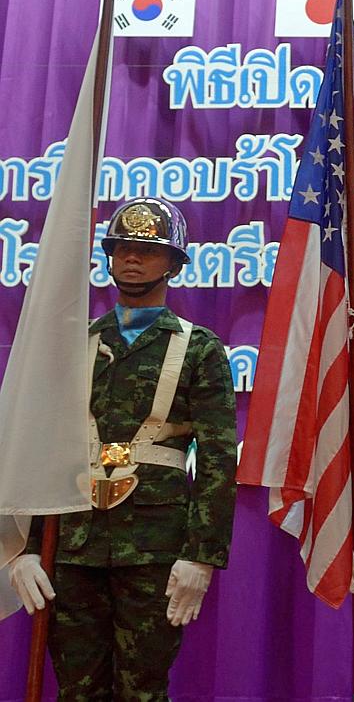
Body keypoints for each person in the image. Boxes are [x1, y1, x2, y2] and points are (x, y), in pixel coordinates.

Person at [7, 197, 237, 700]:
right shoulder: (74, 345)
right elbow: (42, 450)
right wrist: (27, 548)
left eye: (148, 250)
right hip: (73, 545)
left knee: (143, 689)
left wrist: (201, 556)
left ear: (174, 263)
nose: (132, 259)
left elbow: (219, 458)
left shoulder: (199, 349)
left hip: (154, 547)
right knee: (77, 689)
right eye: (122, 249)